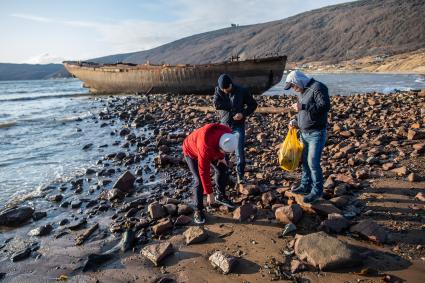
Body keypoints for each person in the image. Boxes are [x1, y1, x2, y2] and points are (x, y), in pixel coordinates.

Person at [285, 70, 330, 203]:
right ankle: (305, 185)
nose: (294, 89)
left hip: (317, 133)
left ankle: (317, 191)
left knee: (313, 163)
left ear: (298, 81)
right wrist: (295, 121)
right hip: (304, 133)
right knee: (305, 161)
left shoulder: (318, 87)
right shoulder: (302, 91)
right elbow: (302, 113)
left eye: (293, 86)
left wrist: (303, 106)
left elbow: (325, 106)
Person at [183, 123, 239, 224]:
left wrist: (222, 157)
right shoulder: (205, 148)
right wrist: (209, 193)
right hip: (191, 151)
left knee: (223, 169)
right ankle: (198, 210)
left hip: (214, 146)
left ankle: (221, 196)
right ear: (220, 147)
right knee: (199, 180)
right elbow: (203, 172)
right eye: (224, 152)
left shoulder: (228, 133)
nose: (225, 155)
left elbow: (223, 149)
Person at [213, 74, 258, 184]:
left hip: (238, 125)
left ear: (231, 84)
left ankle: (240, 176)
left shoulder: (242, 91)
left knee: (240, 153)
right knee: (223, 153)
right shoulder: (219, 90)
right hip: (224, 126)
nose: (225, 91)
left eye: (226, 88)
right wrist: (232, 107)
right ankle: (225, 176)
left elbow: (253, 105)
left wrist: (243, 114)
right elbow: (216, 104)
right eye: (222, 89)